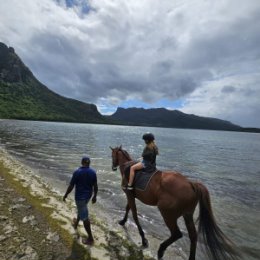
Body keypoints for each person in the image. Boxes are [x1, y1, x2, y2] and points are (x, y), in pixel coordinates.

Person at [63, 156, 98, 245]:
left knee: (85, 217)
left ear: (82, 163)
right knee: (81, 209)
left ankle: (90, 238)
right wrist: (94, 196)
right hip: (88, 196)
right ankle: (76, 223)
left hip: (80, 198)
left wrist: (66, 195)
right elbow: (95, 186)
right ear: (89, 163)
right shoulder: (93, 172)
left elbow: (71, 186)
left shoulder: (77, 172)